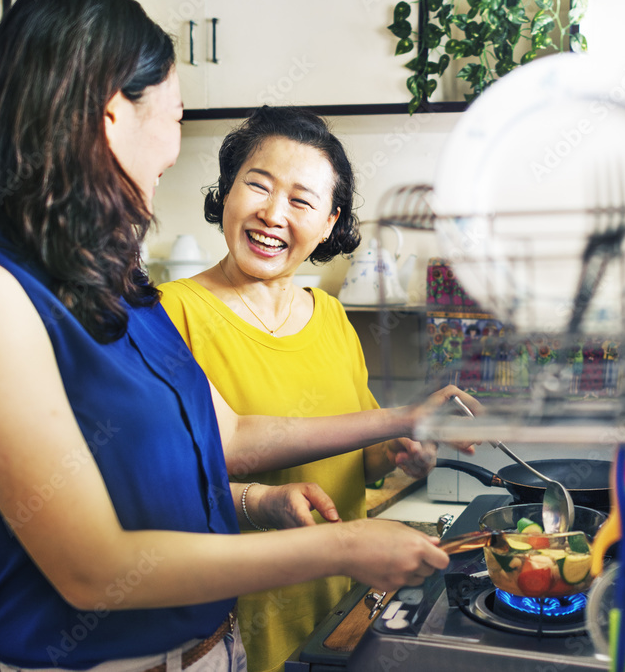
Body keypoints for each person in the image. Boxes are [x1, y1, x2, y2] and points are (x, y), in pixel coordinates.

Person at [0, 0, 477, 671]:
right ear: (113, 113)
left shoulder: (103, 278)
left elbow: (227, 432)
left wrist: (397, 419)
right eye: (175, 116)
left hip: (206, 651)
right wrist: (347, 545)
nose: (174, 149)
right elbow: (92, 567)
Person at [158, 106, 444, 672]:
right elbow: (179, 477)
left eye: (300, 200)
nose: (271, 214)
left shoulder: (332, 317)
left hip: (342, 607)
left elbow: (361, 458)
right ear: (227, 192)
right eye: (257, 186)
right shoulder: (173, 313)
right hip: (230, 625)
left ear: (330, 222)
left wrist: (402, 452)